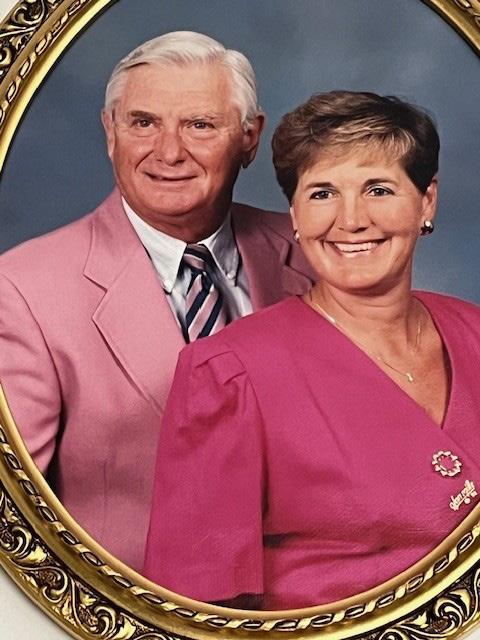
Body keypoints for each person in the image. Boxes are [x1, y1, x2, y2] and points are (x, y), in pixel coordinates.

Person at [143, 91, 480, 609]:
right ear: (295, 214)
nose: (352, 220)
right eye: (322, 193)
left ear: (426, 201)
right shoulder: (228, 374)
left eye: (378, 189)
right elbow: (192, 613)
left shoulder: (474, 331)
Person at [0, 32, 314, 571]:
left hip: (309, 598)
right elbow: (11, 522)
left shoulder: (316, 250)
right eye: (143, 123)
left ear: (249, 138)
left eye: (200, 125)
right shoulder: (23, 288)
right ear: (110, 132)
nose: (169, 152)